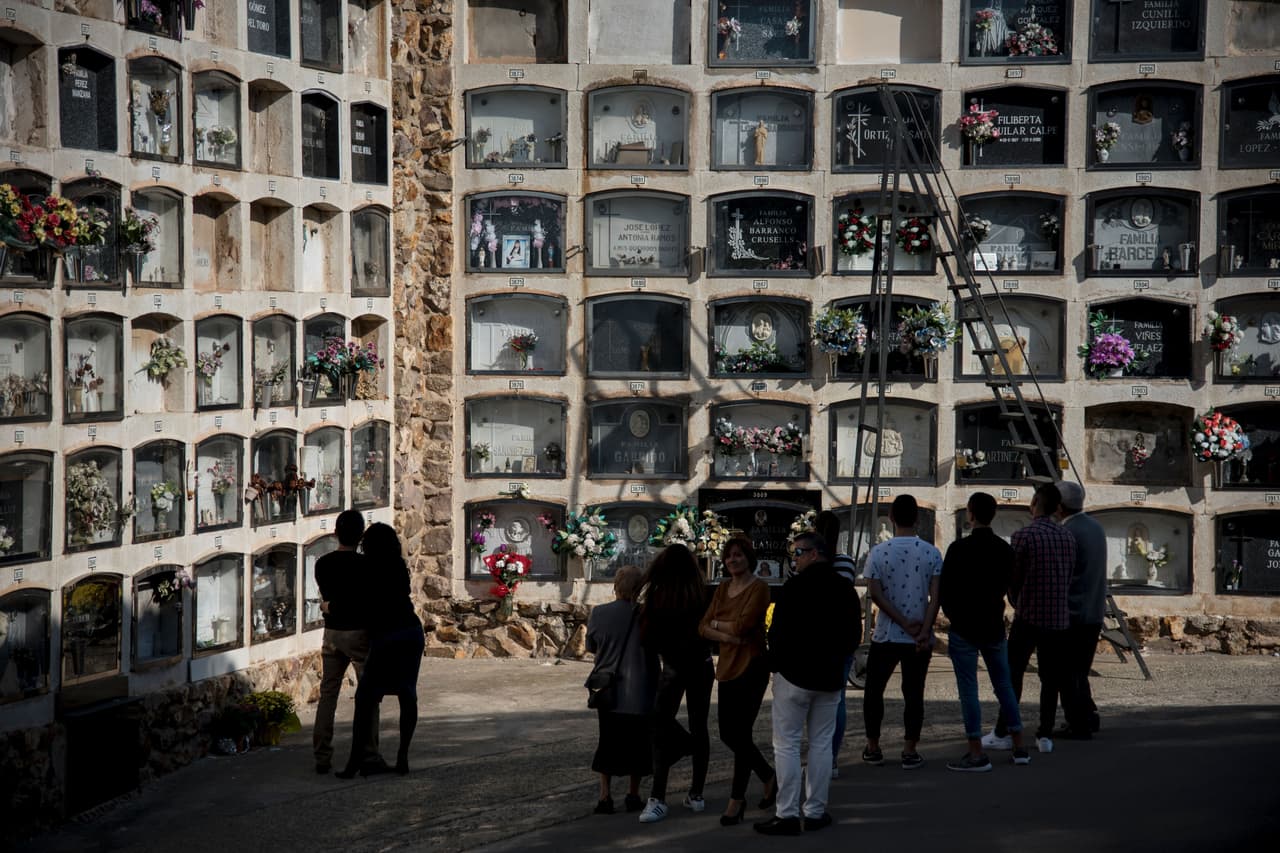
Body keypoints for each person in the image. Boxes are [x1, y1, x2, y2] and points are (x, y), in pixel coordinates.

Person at [754, 532, 859, 837]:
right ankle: (815, 811)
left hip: (794, 676)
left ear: (815, 554)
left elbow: (777, 632)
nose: (794, 559)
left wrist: (777, 665)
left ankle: (786, 813)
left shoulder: (794, 587)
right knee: (821, 744)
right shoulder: (844, 589)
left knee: (786, 743)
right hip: (829, 677)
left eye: (798, 553)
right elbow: (853, 635)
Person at [939, 492, 1031, 772]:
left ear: (970, 514)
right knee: (1004, 686)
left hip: (964, 627)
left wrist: (955, 617)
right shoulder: (1004, 550)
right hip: (993, 625)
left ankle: (976, 751)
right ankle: (1019, 745)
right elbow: (1012, 585)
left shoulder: (958, 549)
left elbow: (946, 591)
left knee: (969, 690)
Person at [984, 483, 1076, 755]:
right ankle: (1045, 734)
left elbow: (1014, 577)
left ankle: (1005, 729)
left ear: (1035, 503)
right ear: (1057, 507)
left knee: (1013, 674)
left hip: (1029, 615)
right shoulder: (1068, 537)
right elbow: (1070, 575)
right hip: (1058, 618)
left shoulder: (1023, 536)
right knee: (1051, 678)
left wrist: (1016, 600)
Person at [335, 523, 425, 778]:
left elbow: (359, 603)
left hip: (386, 636)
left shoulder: (366, 568)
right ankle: (402, 757)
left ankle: (354, 762)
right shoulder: (398, 565)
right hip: (410, 632)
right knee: (407, 694)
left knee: (365, 698)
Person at [861, 494, 942, 770]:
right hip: (919, 636)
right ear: (917, 519)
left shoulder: (878, 552)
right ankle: (909, 749)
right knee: (914, 692)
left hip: (886, 634)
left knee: (874, 691)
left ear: (891, 518)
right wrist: (923, 630)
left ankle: (873, 747)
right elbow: (935, 597)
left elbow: (876, 594)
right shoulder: (932, 553)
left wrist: (902, 622)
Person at [698, 537, 775, 826]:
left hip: (752, 665)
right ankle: (768, 776)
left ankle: (736, 799)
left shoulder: (759, 588)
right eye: (728, 556)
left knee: (740, 733)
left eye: (738, 554)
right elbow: (702, 626)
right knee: (729, 733)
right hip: (728, 664)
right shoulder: (722, 589)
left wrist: (718, 625)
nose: (733, 560)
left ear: (749, 557)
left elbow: (745, 625)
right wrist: (727, 635)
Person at [637, 544, 713, 824]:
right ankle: (697, 793)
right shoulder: (703, 594)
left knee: (660, 726)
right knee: (699, 725)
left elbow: (647, 638)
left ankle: (657, 797)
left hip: (673, 667)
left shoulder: (659, 596)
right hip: (702, 664)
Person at [312, 510, 383, 774]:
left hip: (332, 633)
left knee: (328, 694)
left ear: (335, 533)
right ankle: (369, 751)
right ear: (361, 536)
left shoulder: (322, 563)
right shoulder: (367, 566)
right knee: (368, 694)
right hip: (359, 634)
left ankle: (322, 755)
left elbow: (329, 598)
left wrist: (330, 607)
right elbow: (363, 602)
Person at [586, 565, 657, 815]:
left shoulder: (599, 613)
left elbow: (591, 646)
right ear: (640, 588)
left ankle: (605, 796)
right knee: (638, 745)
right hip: (641, 690)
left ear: (615, 586)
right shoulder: (648, 614)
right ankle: (633, 794)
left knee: (607, 742)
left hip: (609, 690)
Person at [1054, 481, 1107, 739]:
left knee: (1068, 672)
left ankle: (1078, 723)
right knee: (1079, 670)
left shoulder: (1068, 532)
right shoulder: (1095, 527)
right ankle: (1088, 714)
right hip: (1094, 610)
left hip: (1074, 612)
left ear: (1059, 506)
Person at [815, 510, 861, 778]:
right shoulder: (846, 563)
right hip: (841, 637)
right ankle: (831, 758)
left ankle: (817, 756)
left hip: (814, 640)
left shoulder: (805, 562)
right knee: (837, 699)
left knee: (811, 701)